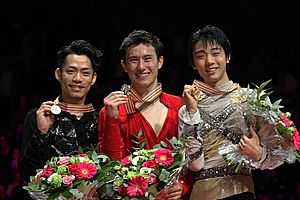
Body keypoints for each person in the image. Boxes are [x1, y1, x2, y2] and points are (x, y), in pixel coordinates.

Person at [178, 25, 288, 200]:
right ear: (193, 63)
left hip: (240, 192)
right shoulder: (187, 108)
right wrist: (192, 113)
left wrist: (259, 153)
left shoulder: (251, 98)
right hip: (201, 194)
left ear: (227, 56)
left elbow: (280, 151)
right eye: (200, 56)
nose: (209, 61)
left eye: (216, 53)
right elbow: (195, 165)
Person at [98, 30, 193, 199]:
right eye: (133, 60)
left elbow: (194, 157)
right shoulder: (111, 110)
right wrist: (112, 120)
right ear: (124, 66)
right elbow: (111, 169)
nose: (141, 67)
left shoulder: (180, 106)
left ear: (160, 62)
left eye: (148, 59)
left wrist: (183, 186)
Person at [20, 39, 103, 182]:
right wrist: (42, 133)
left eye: (85, 73)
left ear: (93, 78)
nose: (77, 79)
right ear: (59, 74)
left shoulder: (102, 120)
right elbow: (26, 174)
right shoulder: (38, 116)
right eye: (71, 71)